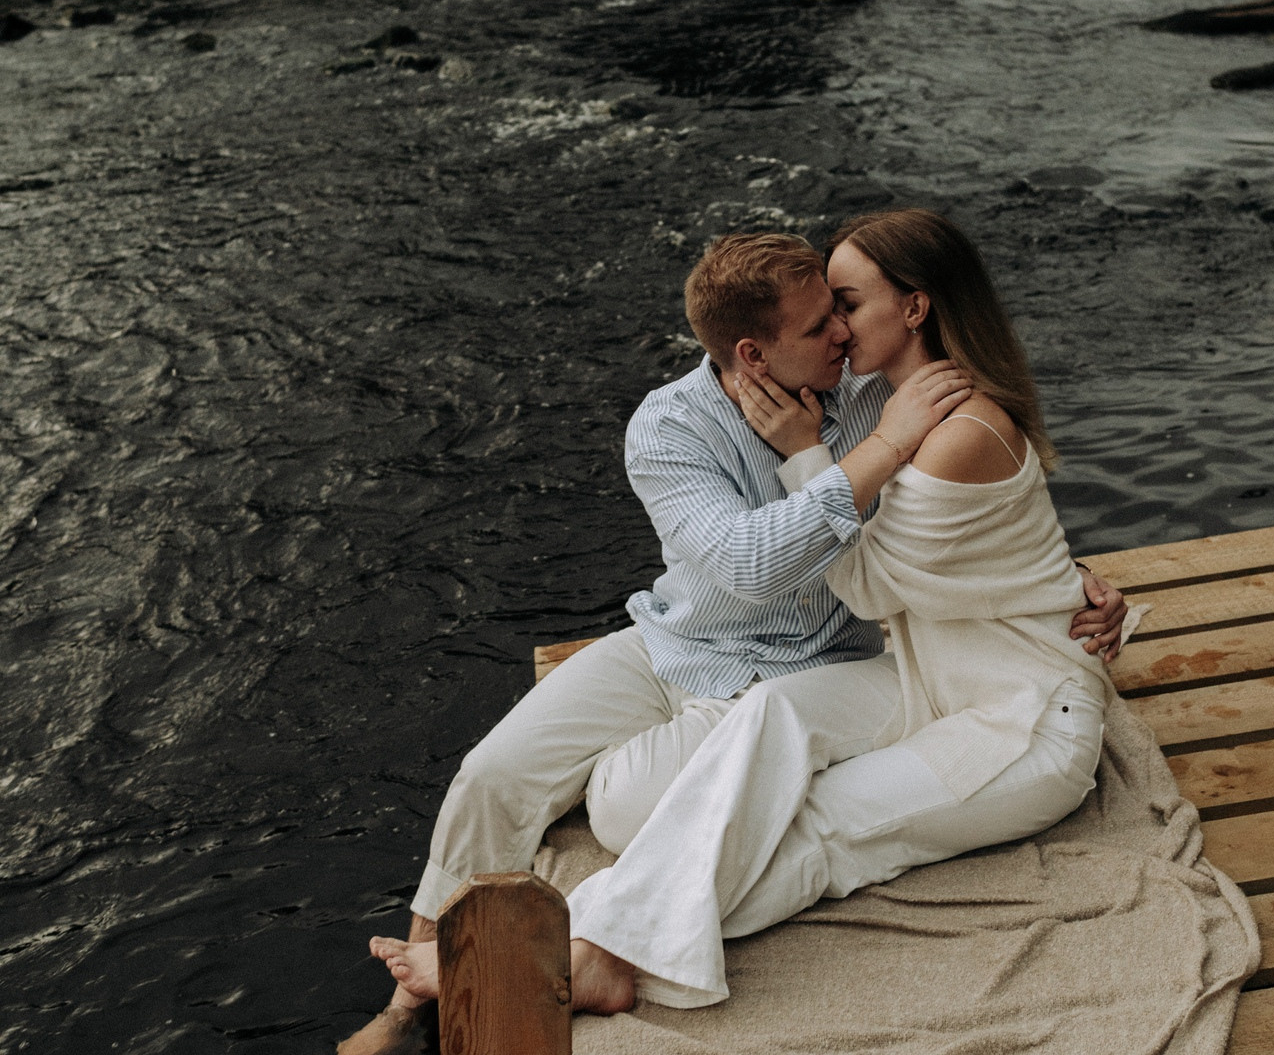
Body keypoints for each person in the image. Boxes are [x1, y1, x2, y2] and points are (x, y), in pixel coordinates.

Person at [344, 230, 1127, 1051]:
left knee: (630, 809)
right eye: (820, 323)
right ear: (752, 354)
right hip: (682, 642)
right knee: (493, 772)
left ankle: (580, 949)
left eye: (842, 309)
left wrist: (1070, 581)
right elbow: (751, 564)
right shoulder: (670, 426)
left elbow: (957, 523)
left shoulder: (870, 390)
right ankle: (408, 1002)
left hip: (820, 659)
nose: (840, 335)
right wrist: (858, 455)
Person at [555, 209, 1117, 1010]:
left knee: (810, 823)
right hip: (925, 682)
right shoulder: (888, 406)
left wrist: (805, 457)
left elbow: (862, 587)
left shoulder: (956, 431)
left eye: (846, 304)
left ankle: (598, 952)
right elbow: (996, 548)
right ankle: (595, 942)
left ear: (913, 309)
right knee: (771, 716)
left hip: (1021, 719)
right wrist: (1077, 574)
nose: (837, 332)